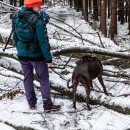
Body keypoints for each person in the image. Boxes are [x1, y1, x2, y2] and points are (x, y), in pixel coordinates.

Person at [13, 0, 61, 113]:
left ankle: (31, 104)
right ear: (32, 6)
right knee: (44, 79)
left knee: (27, 78)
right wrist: (48, 58)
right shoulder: (37, 21)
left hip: (22, 55)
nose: (40, 8)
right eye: (38, 6)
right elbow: (43, 41)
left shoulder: (16, 16)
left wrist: (20, 49)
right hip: (37, 56)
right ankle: (47, 106)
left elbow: (15, 36)